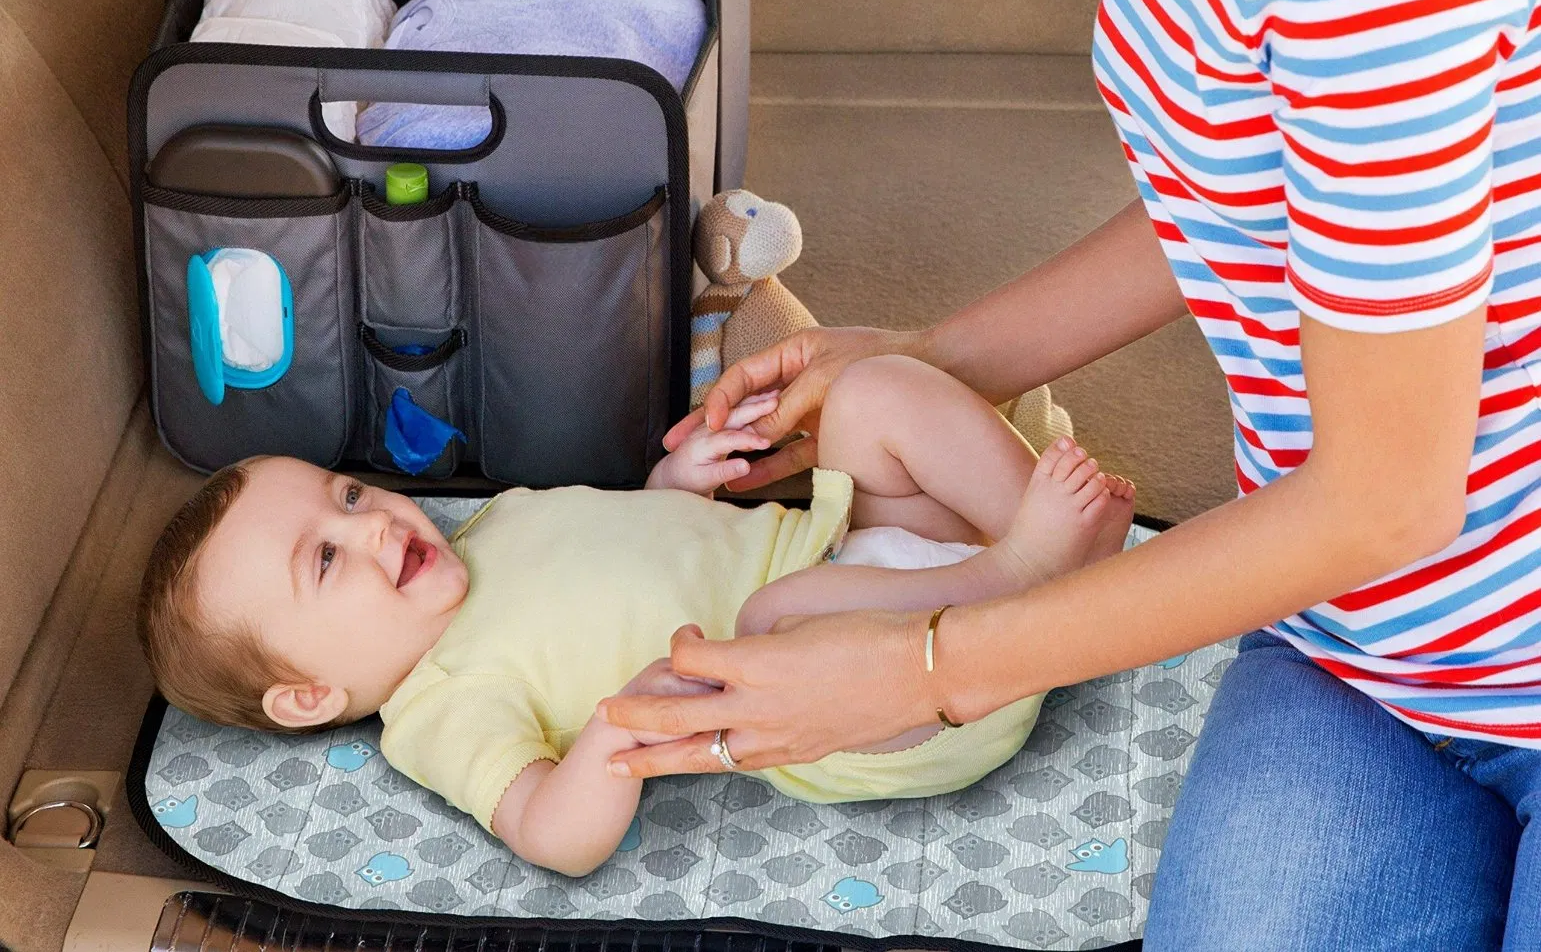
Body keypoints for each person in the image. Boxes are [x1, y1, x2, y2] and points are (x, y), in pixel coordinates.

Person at [596, 0, 1541, 948]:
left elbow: (1388, 497)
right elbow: (1244, 188)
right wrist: (927, 358)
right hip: (1363, 651)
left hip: (1443, 591)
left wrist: (928, 667)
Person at [135, 363, 1133, 877]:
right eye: (324, 558)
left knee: (869, 397)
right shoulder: (437, 707)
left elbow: (626, 537)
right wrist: (615, 731)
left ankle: (1058, 544)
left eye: (347, 494)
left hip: (859, 552)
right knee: (765, 617)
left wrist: (677, 485)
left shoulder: (491, 523)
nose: (368, 525)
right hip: (878, 701)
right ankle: (1023, 568)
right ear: (310, 693)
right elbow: (550, 833)